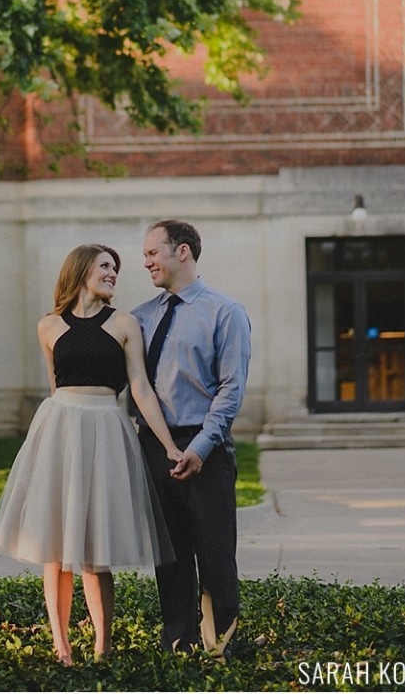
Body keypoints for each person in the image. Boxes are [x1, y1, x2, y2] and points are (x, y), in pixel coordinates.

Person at [0, 243, 184, 666]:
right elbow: (54, 387)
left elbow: (141, 388)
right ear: (81, 271)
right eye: (105, 266)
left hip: (105, 430)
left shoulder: (125, 323)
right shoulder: (48, 326)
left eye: (116, 268)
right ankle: (61, 646)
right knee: (56, 548)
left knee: (96, 550)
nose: (114, 272)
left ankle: (102, 646)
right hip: (60, 429)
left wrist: (169, 444)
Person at [131, 219, 251, 658]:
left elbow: (231, 388)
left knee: (216, 554)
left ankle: (222, 645)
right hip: (154, 450)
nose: (145, 261)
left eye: (152, 252)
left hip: (207, 448)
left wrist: (200, 448)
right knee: (171, 557)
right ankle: (176, 643)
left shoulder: (225, 312)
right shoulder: (141, 317)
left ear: (182, 252)